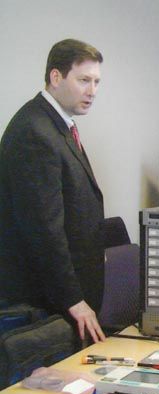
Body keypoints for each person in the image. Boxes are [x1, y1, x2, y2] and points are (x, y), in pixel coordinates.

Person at [0, 39, 106, 343]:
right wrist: (73, 299)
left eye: (97, 82)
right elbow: (44, 230)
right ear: (56, 77)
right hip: (47, 302)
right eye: (83, 80)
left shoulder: (58, 124)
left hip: (61, 297)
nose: (92, 91)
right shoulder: (35, 131)